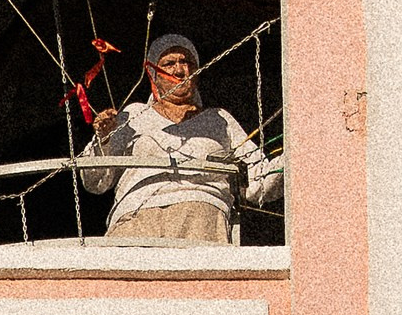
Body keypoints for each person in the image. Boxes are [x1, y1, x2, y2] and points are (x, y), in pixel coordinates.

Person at [73, 31, 281, 247]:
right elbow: (96, 182)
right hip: (135, 219)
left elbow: (259, 183)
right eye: (169, 64)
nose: (180, 70)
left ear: (197, 71)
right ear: (152, 73)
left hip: (200, 216)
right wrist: (104, 138)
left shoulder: (219, 119)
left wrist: (295, 154)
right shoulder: (134, 114)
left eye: (186, 62)